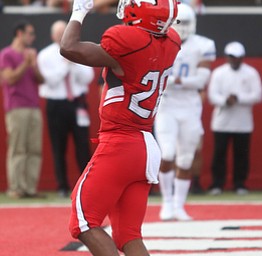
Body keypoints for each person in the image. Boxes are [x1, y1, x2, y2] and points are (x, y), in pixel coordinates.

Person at [60, 0, 181, 254]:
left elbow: (69, 47)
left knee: (82, 222)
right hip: (146, 145)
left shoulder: (129, 40)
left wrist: (79, 12)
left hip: (120, 145)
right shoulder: (170, 41)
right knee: (128, 236)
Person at [154, 3, 216, 221]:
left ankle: (179, 205)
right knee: (167, 153)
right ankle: (167, 202)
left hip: (190, 107)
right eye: (178, 22)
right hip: (167, 106)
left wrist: (176, 80)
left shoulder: (204, 44)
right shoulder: (159, 41)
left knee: (187, 158)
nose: (182, 27)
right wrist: (180, 82)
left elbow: (202, 79)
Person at [37, 20, 94, 198]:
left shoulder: (80, 50)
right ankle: (62, 186)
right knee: (58, 146)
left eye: (65, 32)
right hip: (57, 103)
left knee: (83, 145)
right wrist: (64, 66)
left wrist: (73, 64)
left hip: (77, 103)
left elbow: (87, 77)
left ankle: (87, 185)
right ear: (53, 35)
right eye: (59, 32)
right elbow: (51, 81)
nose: (62, 36)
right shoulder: (45, 55)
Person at [208, 41, 262, 196]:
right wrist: (226, 101)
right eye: (232, 57)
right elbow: (213, 95)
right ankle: (217, 184)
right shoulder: (219, 72)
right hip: (222, 122)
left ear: (242, 58)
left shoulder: (251, 73)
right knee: (219, 154)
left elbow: (257, 94)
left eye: (238, 57)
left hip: (243, 122)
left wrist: (238, 98)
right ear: (227, 57)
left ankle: (240, 184)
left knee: (241, 155)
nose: (235, 60)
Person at [0, 20, 44, 198]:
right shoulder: (6, 54)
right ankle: (16, 188)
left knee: (34, 149)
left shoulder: (31, 55)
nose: (32, 37)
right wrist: (26, 63)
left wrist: (33, 64)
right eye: (30, 33)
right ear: (19, 34)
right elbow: (9, 79)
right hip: (16, 107)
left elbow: (41, 80)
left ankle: (30, 188)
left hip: (34, 106)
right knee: (18, 148)